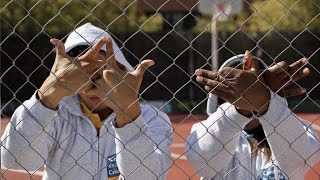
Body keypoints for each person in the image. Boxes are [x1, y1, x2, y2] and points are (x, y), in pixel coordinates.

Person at [1, 23, 173, 180]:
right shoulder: (54, 113)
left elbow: (147, 177)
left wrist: (128, 114)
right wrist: (47, 95)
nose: (94, 84)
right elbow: (16, 160)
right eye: (84, 74)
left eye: (104, 72)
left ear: (121, 69)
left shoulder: (151, 118)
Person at [185, 51, 320, 180]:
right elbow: (202, 163)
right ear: (219, 98)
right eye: (235, 90)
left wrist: (267, 103)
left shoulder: (301, 129)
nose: (247, 95)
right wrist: (239, 108)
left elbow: (300, 158)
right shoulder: (203, 128)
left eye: (256, 87)